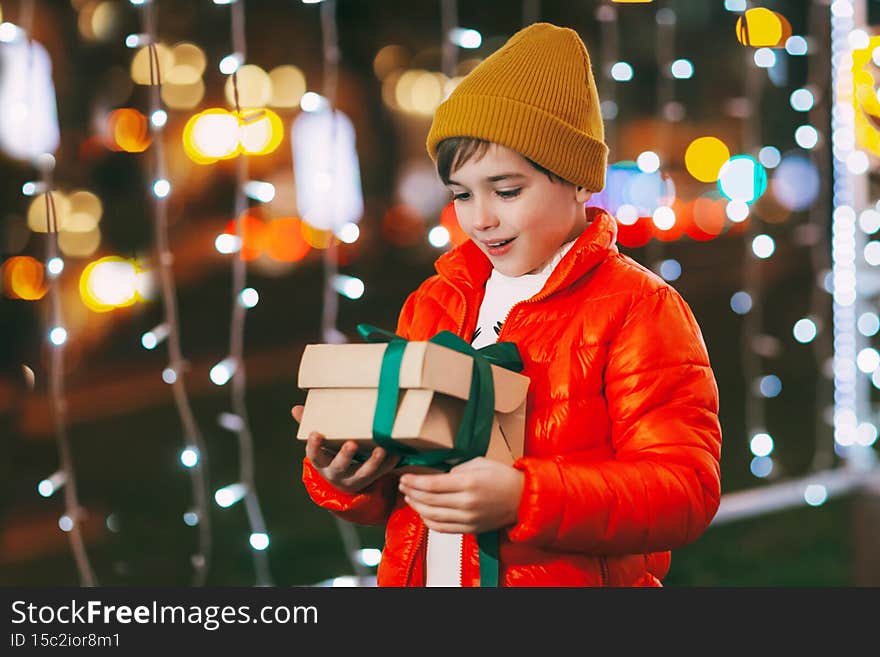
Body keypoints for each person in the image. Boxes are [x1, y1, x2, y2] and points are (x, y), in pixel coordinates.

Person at [292, 22, 722, 587]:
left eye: (507, 190)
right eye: (462, 194)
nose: (480, 218)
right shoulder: (435, 303)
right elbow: (398, 492)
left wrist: (526, 497)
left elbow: (684, 491)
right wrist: (347, 474)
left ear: (575, 180)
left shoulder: (638, 308)